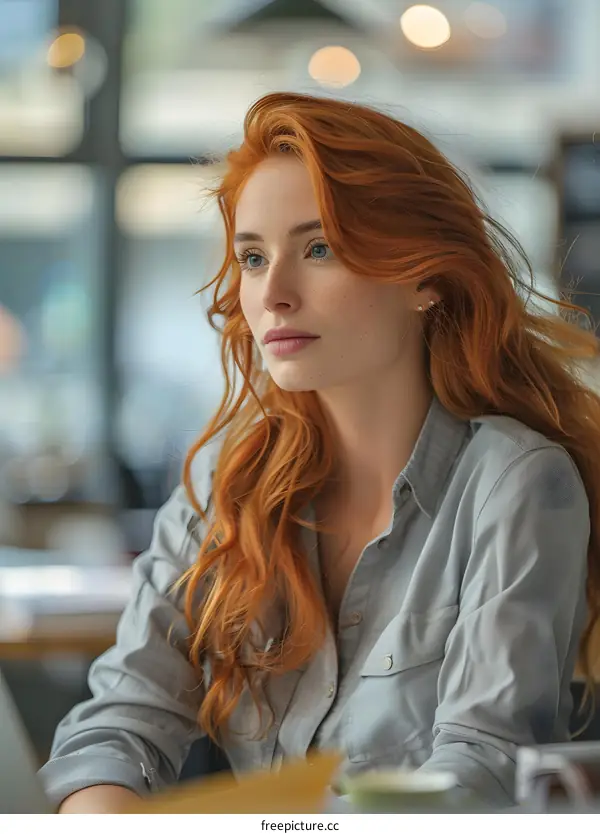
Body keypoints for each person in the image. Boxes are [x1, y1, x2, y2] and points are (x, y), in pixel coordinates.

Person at [40, 92, 600, 813]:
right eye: (251, 256)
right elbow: (123, 716)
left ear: (423, 276)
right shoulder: (224, 483)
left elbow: (479, 769)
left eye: (318, 249)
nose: (273, 294)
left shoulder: (515, 483)